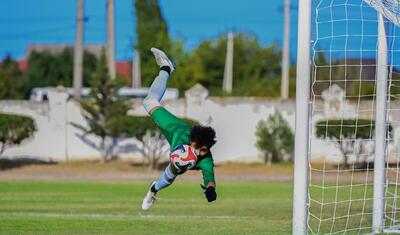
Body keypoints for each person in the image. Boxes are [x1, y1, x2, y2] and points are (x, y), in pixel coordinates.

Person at [141, 47, 217, 211]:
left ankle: (153, 189)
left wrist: (211, 188)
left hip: (180, 158)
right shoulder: (180, 134)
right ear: (192, 141)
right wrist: (181, 156)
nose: (203, 153)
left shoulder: (205, 158)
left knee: (168, 177)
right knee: (149, 102)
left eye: (206, 150)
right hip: (173, 130)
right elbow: (178, 154)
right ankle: (166, 68)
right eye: (201, 149)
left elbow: (209, 176)